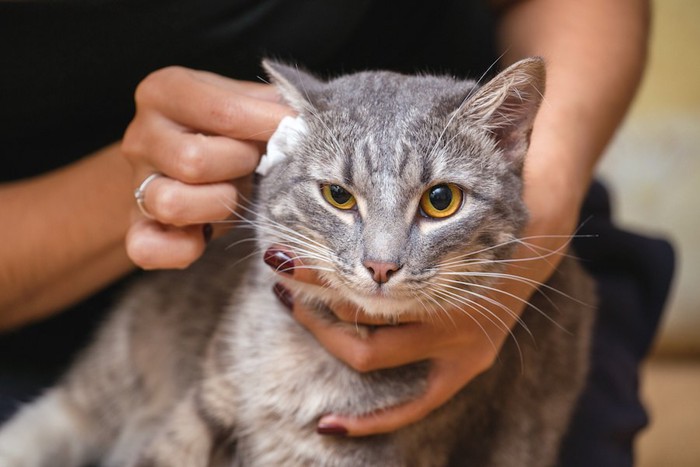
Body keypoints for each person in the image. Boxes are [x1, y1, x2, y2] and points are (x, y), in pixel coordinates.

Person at [0, 1, 673, 465]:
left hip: (506, 232)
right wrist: (158, 180)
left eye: (435, 201)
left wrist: (541, 214)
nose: (382, 260)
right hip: (108, 278)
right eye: (342, 195)